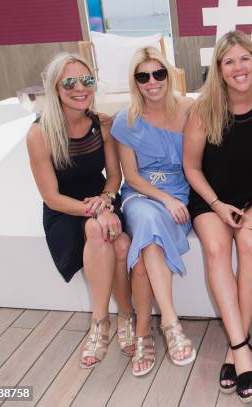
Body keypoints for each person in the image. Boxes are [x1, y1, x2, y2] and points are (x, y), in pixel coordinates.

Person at [183, 30, 252, 403]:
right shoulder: (203, 108)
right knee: (214, 247)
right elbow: (191, 167)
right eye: (229, 61)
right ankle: (243, 348)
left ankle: (235, 348)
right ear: (219, 69)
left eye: (245, 59)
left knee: (251, 244)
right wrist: (215, 204)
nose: (238, 67)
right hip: (211, 197)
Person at [26, 53, 135, 369]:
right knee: (99, 230)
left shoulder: (103, 124)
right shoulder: (40, 133)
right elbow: (51, 197)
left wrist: (105, 199)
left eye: (86, 80)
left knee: (122, 242)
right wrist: (97, 212)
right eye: (69, 82)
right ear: (55, 88)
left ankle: (124, 315)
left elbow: (115, 176)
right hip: (64, 210)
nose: (79, 88)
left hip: (101, 198)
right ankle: (102, 321)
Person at [111, 46, 196, 376]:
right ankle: (171, 324)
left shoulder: (189, 108)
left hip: (181, 194)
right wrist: (165, 199)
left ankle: (144, 332)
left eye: (158, 73)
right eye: (142, 76)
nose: (152, 82)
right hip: (142, 196)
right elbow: (130, 177)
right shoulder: (126, 120)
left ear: (169, 74)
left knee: (148, 247)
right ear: (135, 81)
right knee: (147, 220)